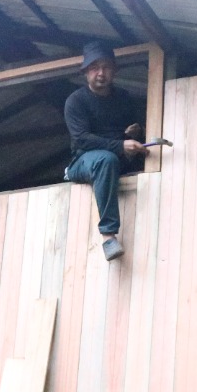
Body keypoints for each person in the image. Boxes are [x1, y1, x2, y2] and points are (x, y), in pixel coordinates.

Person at [64, 40, 149, 262]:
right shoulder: (76, 101)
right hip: (83, 160)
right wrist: (121, 145)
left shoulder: (123, 97)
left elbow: (130, 131)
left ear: (114, 71)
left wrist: (135, 133)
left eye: (106, 67)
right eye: (94, 68)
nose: (100, 73)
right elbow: (82, 139)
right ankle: (108, 236)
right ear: (85, 72)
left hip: (117, 157)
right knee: (106, 160)